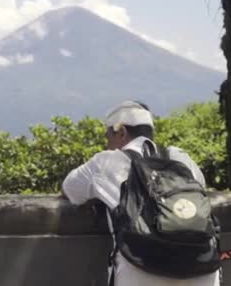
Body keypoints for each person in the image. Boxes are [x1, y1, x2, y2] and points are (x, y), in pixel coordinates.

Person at [62, 100, 220, 286]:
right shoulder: (180, 158)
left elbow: (69, 188)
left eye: (108, 137)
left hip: (141, 271)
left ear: (121, 133)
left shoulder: (106, 162)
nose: (107, 144)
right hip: (202, 270)